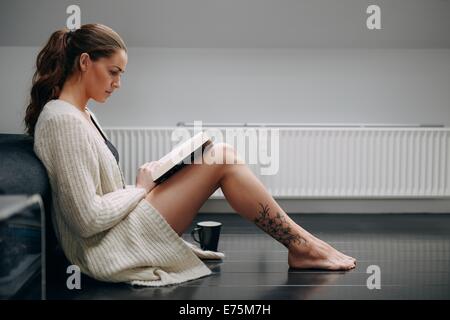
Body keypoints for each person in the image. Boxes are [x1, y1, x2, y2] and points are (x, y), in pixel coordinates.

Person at [25, 24, 356, 287]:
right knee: (222, 156)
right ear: (85, 62)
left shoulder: (83, 114)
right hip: (109, 248)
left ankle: (303, 244)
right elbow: (86, 219)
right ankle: (303, 246)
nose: (118, 83)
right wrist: (142, 189)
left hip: (121, 229)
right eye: (114, 72)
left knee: (216, 153)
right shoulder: (61, 120)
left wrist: (151, 182)